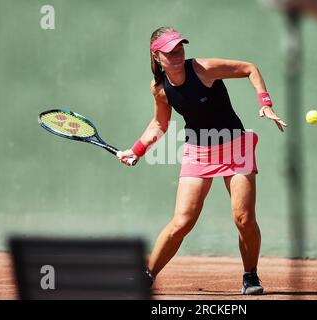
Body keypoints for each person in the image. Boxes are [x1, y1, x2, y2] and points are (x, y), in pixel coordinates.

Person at [117, 27, 286, 295]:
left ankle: (250, 275)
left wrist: (265, 103)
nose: (177, 53)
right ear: (156, 56)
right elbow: (160, 123)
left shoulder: (203, 69)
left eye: (179, 48)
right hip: (198, 150)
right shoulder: (159, 89)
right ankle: (147, 274)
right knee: (182, 221)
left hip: (235, 146)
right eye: (169, 51)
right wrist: (136, 150)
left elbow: (249, 68)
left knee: (243, 219)